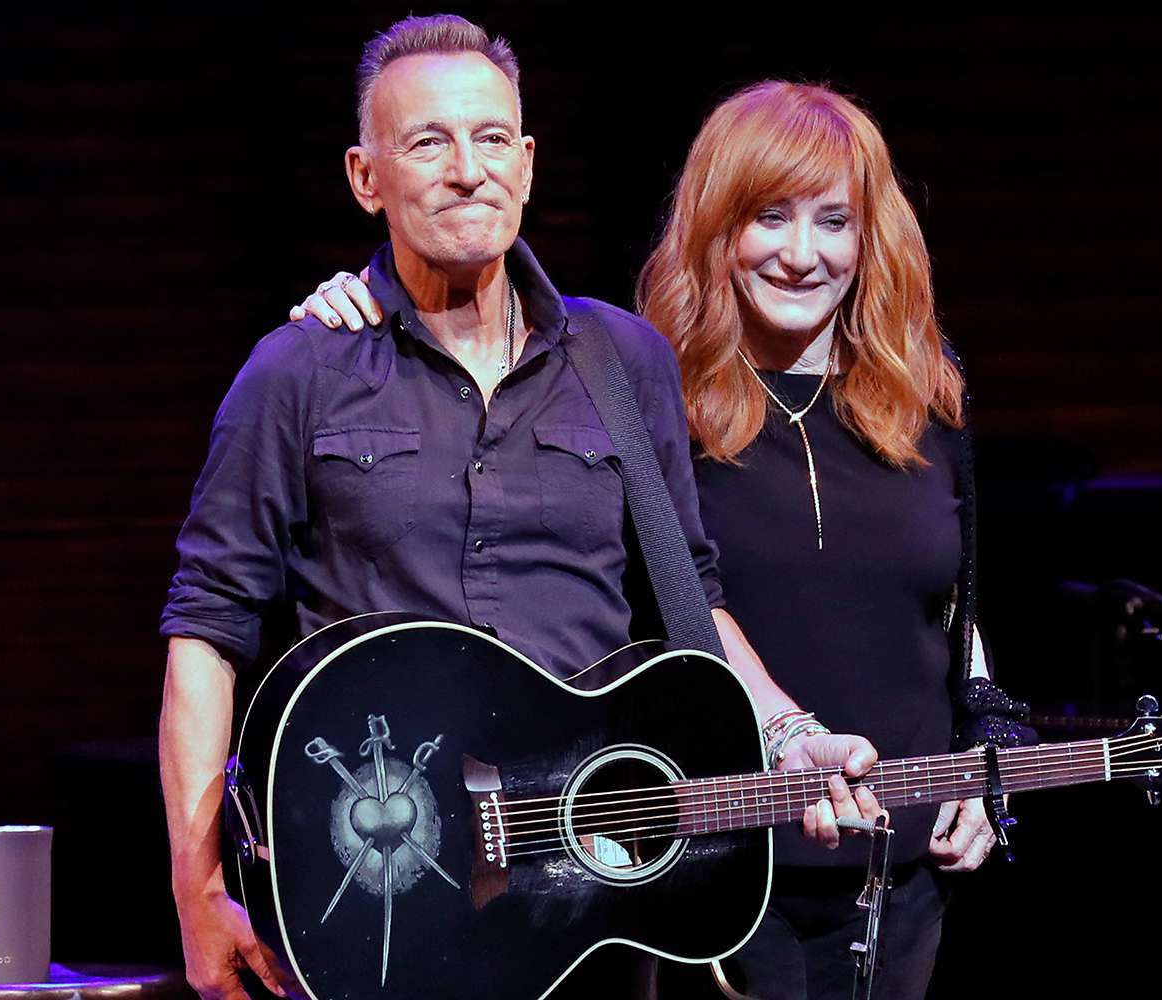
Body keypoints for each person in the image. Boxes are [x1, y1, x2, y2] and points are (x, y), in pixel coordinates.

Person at [159, 16, 883, 1000]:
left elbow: (689, 602)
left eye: (493, 138)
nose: (469, 169)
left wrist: (798, 736)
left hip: (590, 894)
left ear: (529, 162)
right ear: (367, 178)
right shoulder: (298, 371)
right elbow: (206, 630)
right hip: (382, 885)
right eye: (429, 142)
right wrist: (197, 887)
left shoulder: (624, 362)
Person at [296, 80, 1038, 1000]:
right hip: (717, 869)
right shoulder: (640, 386)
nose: (803, 255)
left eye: (834, 221)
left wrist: (984, 747)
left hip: (900, 869)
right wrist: (355, 295)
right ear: (717, 229)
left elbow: (955, 606)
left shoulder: (925, 396)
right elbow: (664, 598)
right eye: (769, 217)